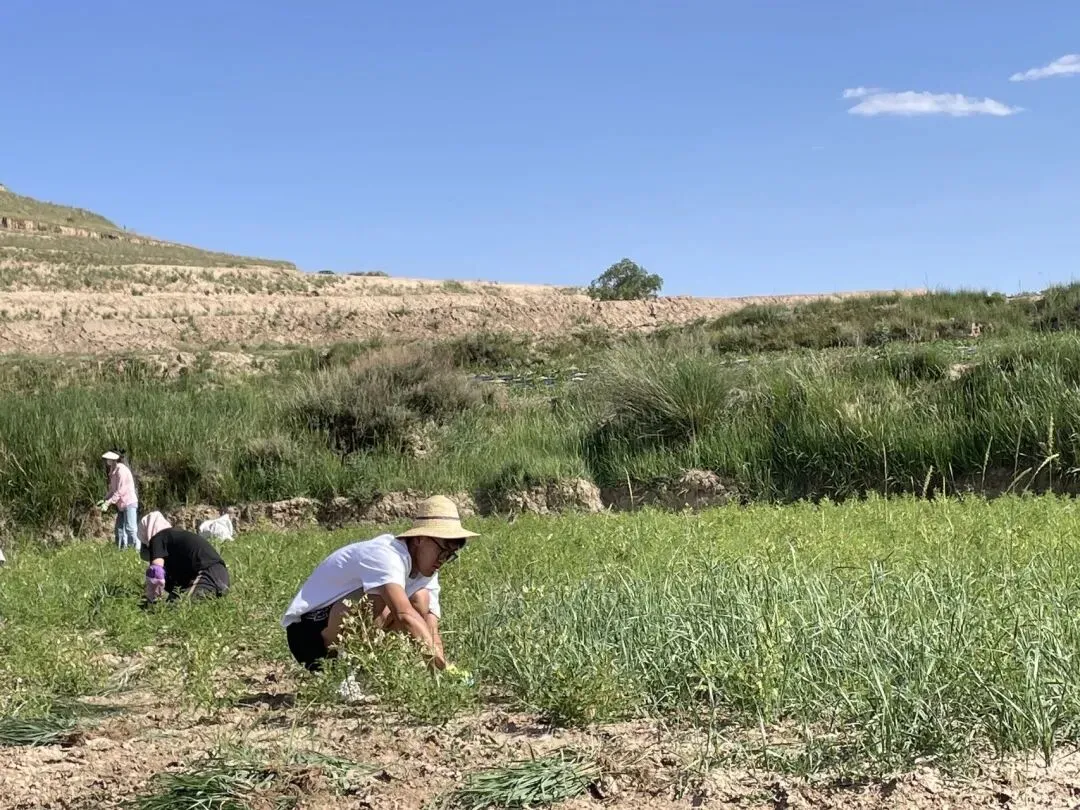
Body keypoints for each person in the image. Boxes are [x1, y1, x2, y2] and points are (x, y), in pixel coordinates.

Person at [281, 495, 477, 672]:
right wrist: (435, 660)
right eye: (442, 550)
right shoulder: (387, 555)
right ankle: (348, 672)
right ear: (420, 539)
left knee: (420, 597)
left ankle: (369, 667)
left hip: (334, 628)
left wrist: (442, 667)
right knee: (378, 601)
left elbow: (431, 629)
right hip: (307, 635)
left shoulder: (427, 571)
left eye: (450, 555)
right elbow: (404, 615)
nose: (443, 559)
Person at [138, 511, 230, 604]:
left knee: (181, 608)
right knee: (172, 604)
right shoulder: (173, 538)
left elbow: (156, 573)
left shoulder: (158, 538)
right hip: (221, 575)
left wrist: (151, 599)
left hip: (207, 573)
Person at [99, 450, 139, 551]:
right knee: (119, 529)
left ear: (114, 460)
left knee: (130, 528)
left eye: (108, 459)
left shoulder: (122, 470)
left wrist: (108, 503)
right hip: (121, 505)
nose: (107, 461)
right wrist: (104, 499)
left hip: (129, 502)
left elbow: (120, 491)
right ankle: (121, 549)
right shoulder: (113, 471)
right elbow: (112, 489)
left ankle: (135, 549)